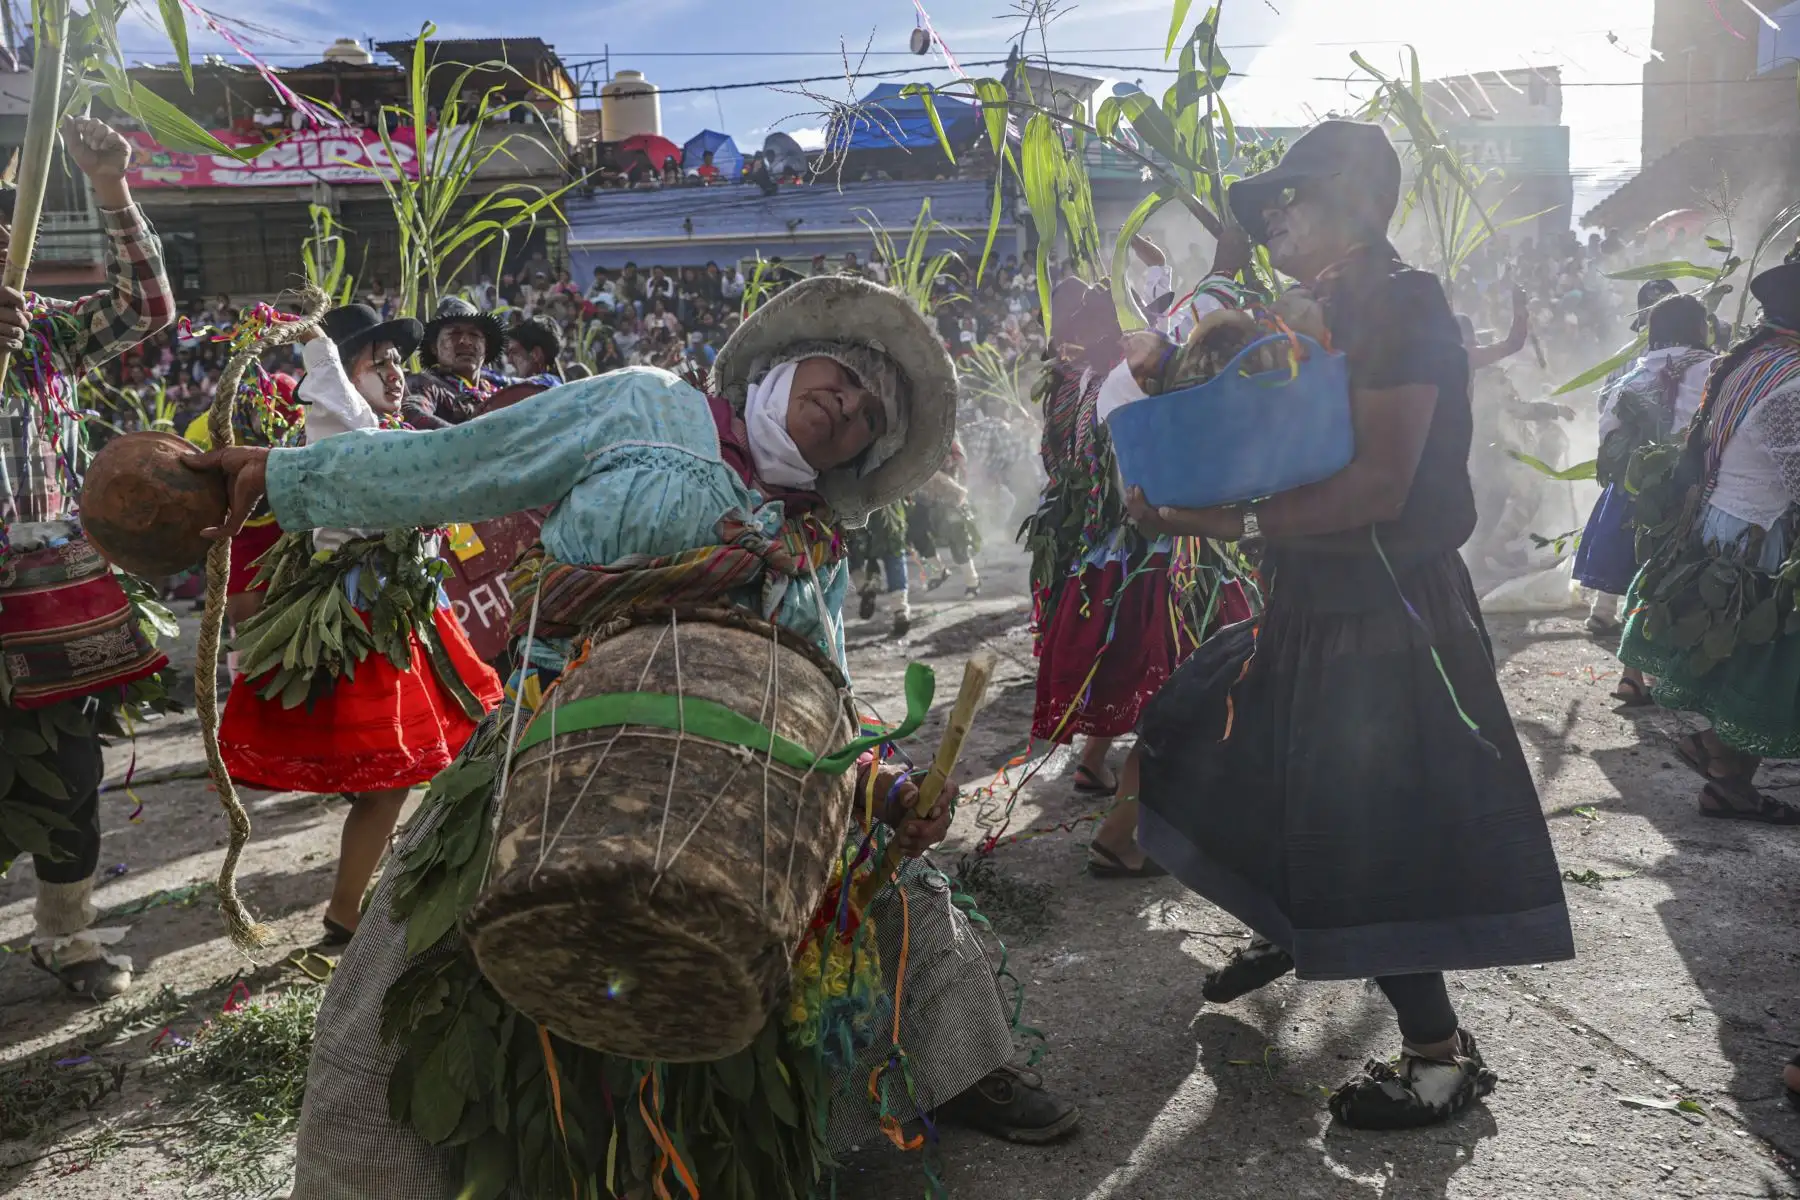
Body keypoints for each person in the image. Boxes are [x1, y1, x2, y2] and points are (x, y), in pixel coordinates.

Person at [191, 275, 1080, 1197]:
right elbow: (462, 462)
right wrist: (286, 477)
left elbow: (828, 692)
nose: (847, 403)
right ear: (788, 361)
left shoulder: (815, 543)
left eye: (869, 416)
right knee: (401, 963)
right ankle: (363, 1179)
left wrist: (887, 788)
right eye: (845, 375)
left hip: (744, 770)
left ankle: (957, 1067)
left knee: (897, 889)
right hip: (560, 730)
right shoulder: (643, 404)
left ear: (865, 453)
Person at [1127, 120, 1573, 1128]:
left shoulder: (1402, 305)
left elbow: (1378, 488)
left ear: (1353, 206)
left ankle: (1438, 1061)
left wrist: (1214, 521)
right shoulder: (1322, 311)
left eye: (1291, 200)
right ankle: (1295, 921)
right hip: (1314, 600)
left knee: (1370, 838)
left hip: (1383, 616)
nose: (1275, 220)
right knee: (1204, 746)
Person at [216, 305, 504, 943]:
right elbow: (344, 405)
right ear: (345, 375)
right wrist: (319, 344)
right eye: (381, 362)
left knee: (439, 758)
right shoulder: (340, 426)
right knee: (391, 780)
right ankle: (349, 917)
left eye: (400, 361)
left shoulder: (383, 425)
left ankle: (393, 896)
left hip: (412, 614)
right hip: (369, 623)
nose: (398, 373)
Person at [0, 117, 177, 1000]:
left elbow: (147, 309)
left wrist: (110, 184)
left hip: (49, 604)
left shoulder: (47, 333)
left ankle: (65, 933)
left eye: (5, 220)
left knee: (71, 771)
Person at [1024, 271, 1252, 877]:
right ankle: (1119, 837)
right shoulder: (1123, 379)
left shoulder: (1070, 383)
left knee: (1133, 675)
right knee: (1183, 699)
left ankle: (1094, 767)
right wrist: (1222, 271)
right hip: (1157, 561)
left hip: (1104, 561)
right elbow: (1196, 351)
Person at [1617, 243, 1800, 824]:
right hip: (1757, 534)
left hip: (1726, 524)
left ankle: (1727, 785)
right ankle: (1715, 753)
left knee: (1743, 655)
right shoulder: (1791, 378)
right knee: (1758, 661)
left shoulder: (1751, 360)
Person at [1573, 293, 1713, 705]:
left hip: (1638, 495)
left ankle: (1632, 675)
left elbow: (1608, 434)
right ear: (1698, 328)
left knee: (1641, 579)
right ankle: (1671, 678)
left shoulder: (1634, 375)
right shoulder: (1716, 370)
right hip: (1694, 493)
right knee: (1684, 585)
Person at [404, 296, 503, 428]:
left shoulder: (497, 392)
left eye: (474, 335)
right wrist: (466, 436)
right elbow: (413, 413)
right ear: (434, 347)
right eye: (455, 334)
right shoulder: (424, 385)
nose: (466, 341)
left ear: (486, 348)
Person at [499, 315, 563, 387]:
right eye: (508, 354)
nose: (509, 361)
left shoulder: (548, 382)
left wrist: (496, 379)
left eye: (514, 352)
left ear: (536, 354)